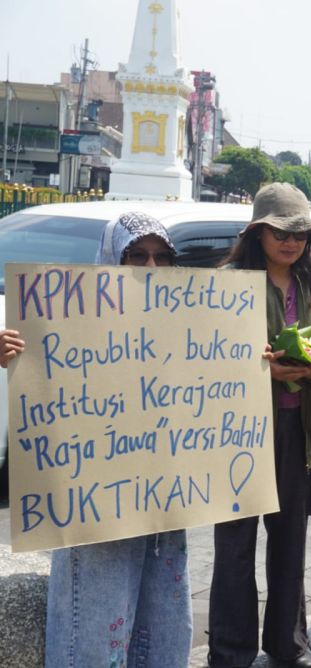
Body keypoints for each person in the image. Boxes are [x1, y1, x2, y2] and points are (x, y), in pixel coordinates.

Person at [0, 211, 193, 667]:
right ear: (111, 257)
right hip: (96, 499)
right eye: (137, 256)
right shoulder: (68, 316)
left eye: (162, 257)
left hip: (162, 498)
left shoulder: (187, 318)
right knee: (95, 613)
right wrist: (9, 352)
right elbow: (46, 381)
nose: (150, 268)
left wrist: (249, 359)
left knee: (160, 612)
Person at [208, 183, 311, 668]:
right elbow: (202, 363)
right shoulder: (225, 284)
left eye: (301, 233)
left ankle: (289, 644)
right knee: (233, 547)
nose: (292, 242)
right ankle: (229, 651)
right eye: (281, 232)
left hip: (297, 435)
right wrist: (260, 370)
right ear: (257, 232)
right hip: (236, 439)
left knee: (290, 544)